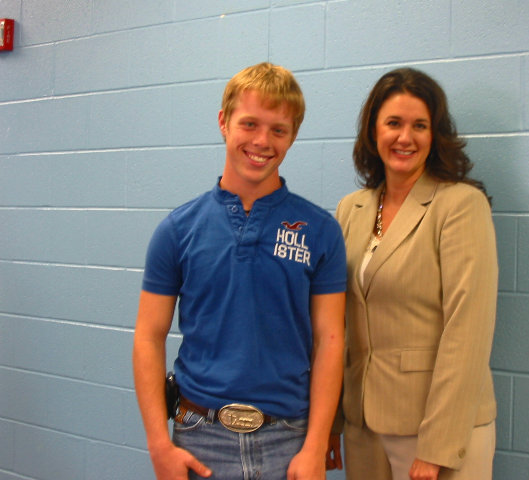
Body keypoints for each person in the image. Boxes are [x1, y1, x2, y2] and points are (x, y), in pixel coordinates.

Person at [133, 62, 346, 480]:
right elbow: (148, 336)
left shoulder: (321, 231)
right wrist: (160, 444)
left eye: (278, 130)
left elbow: (331, 340)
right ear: (224, 122)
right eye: (249, 124)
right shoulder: (177, 230)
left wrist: (316, 446)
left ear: (293, 136)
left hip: (290, 440)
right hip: (200, 437)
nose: (262, 141)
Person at [329, 68, 498, 480]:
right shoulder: (351, 209)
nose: (405, 137)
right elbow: (338, 326)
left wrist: (437, 446)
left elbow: (467, 331)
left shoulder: (460, 205)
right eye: (393, 123)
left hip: (435, 431)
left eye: (419, 125)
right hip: (363, 425)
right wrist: (332, 424)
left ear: (435, 134)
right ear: (373, 132)